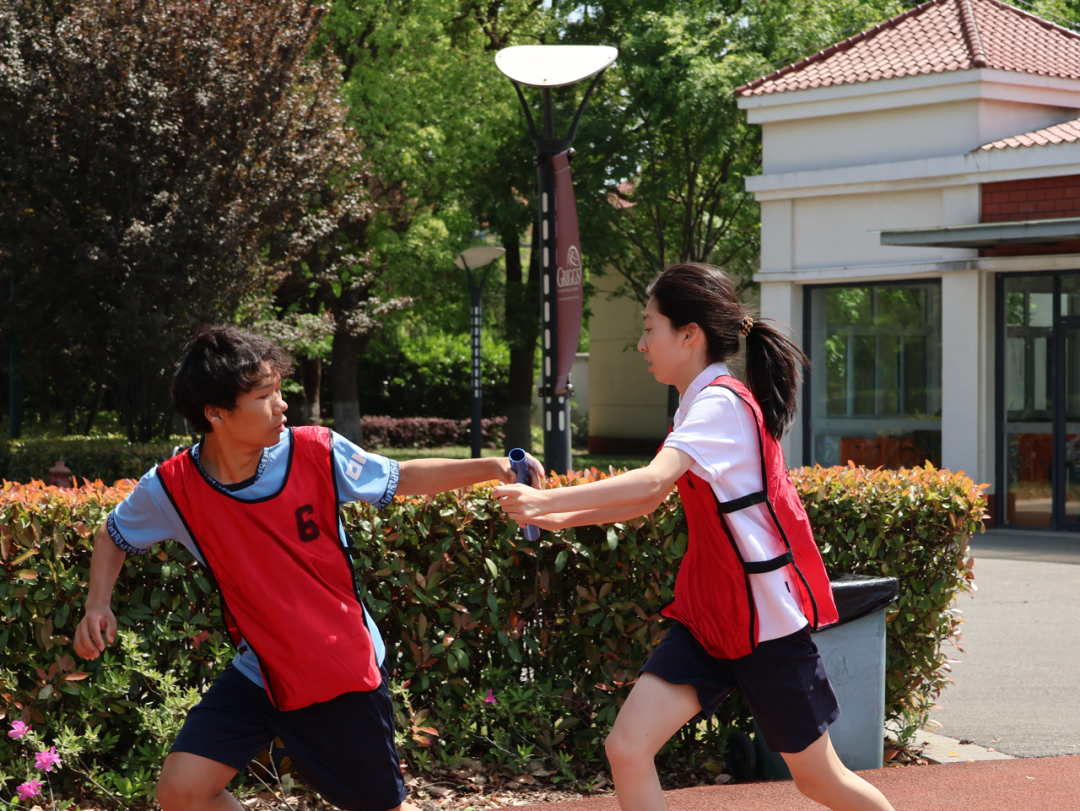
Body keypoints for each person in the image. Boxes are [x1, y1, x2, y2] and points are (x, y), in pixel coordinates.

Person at [73, 325, 541, 811]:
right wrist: (97, 604)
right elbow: (113, 533)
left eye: (279, 391)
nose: (282, 405)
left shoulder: (317, 449)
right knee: (182, 791)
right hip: (261, 671)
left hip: (339, 668)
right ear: (215, 414)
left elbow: (400, 476)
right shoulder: (170, 488)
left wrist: (493, 466)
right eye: (264, 396)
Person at [494, 263, 895, 811]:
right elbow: (649, 498)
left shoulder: (719, 405)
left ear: (689, 334)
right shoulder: (697, 404)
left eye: (649, 327)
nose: (641, 343)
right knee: (627, 748)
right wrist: (558, 519)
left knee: (819, 780)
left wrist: (545, 502)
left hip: (765, 628)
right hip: (710, 618)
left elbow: (651, 481)